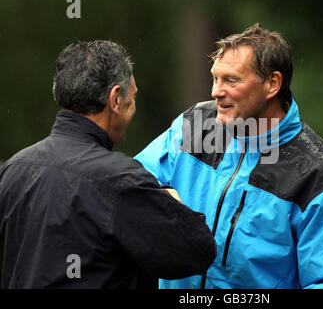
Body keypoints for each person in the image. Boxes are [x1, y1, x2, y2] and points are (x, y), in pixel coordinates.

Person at [135, 23, 323, 289]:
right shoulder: (195, 124)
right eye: (215, 78)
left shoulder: (319, 175)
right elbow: (133, 183)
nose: (216, 91)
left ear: (272, 84)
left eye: (231, 80)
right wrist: (164, 199)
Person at [0, 40, 216, 288]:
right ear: (115, 100)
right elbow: (198, 250)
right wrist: (170, 202)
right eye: (132, 98)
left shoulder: (13, 169)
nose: (132, 107)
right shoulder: (120, 180)